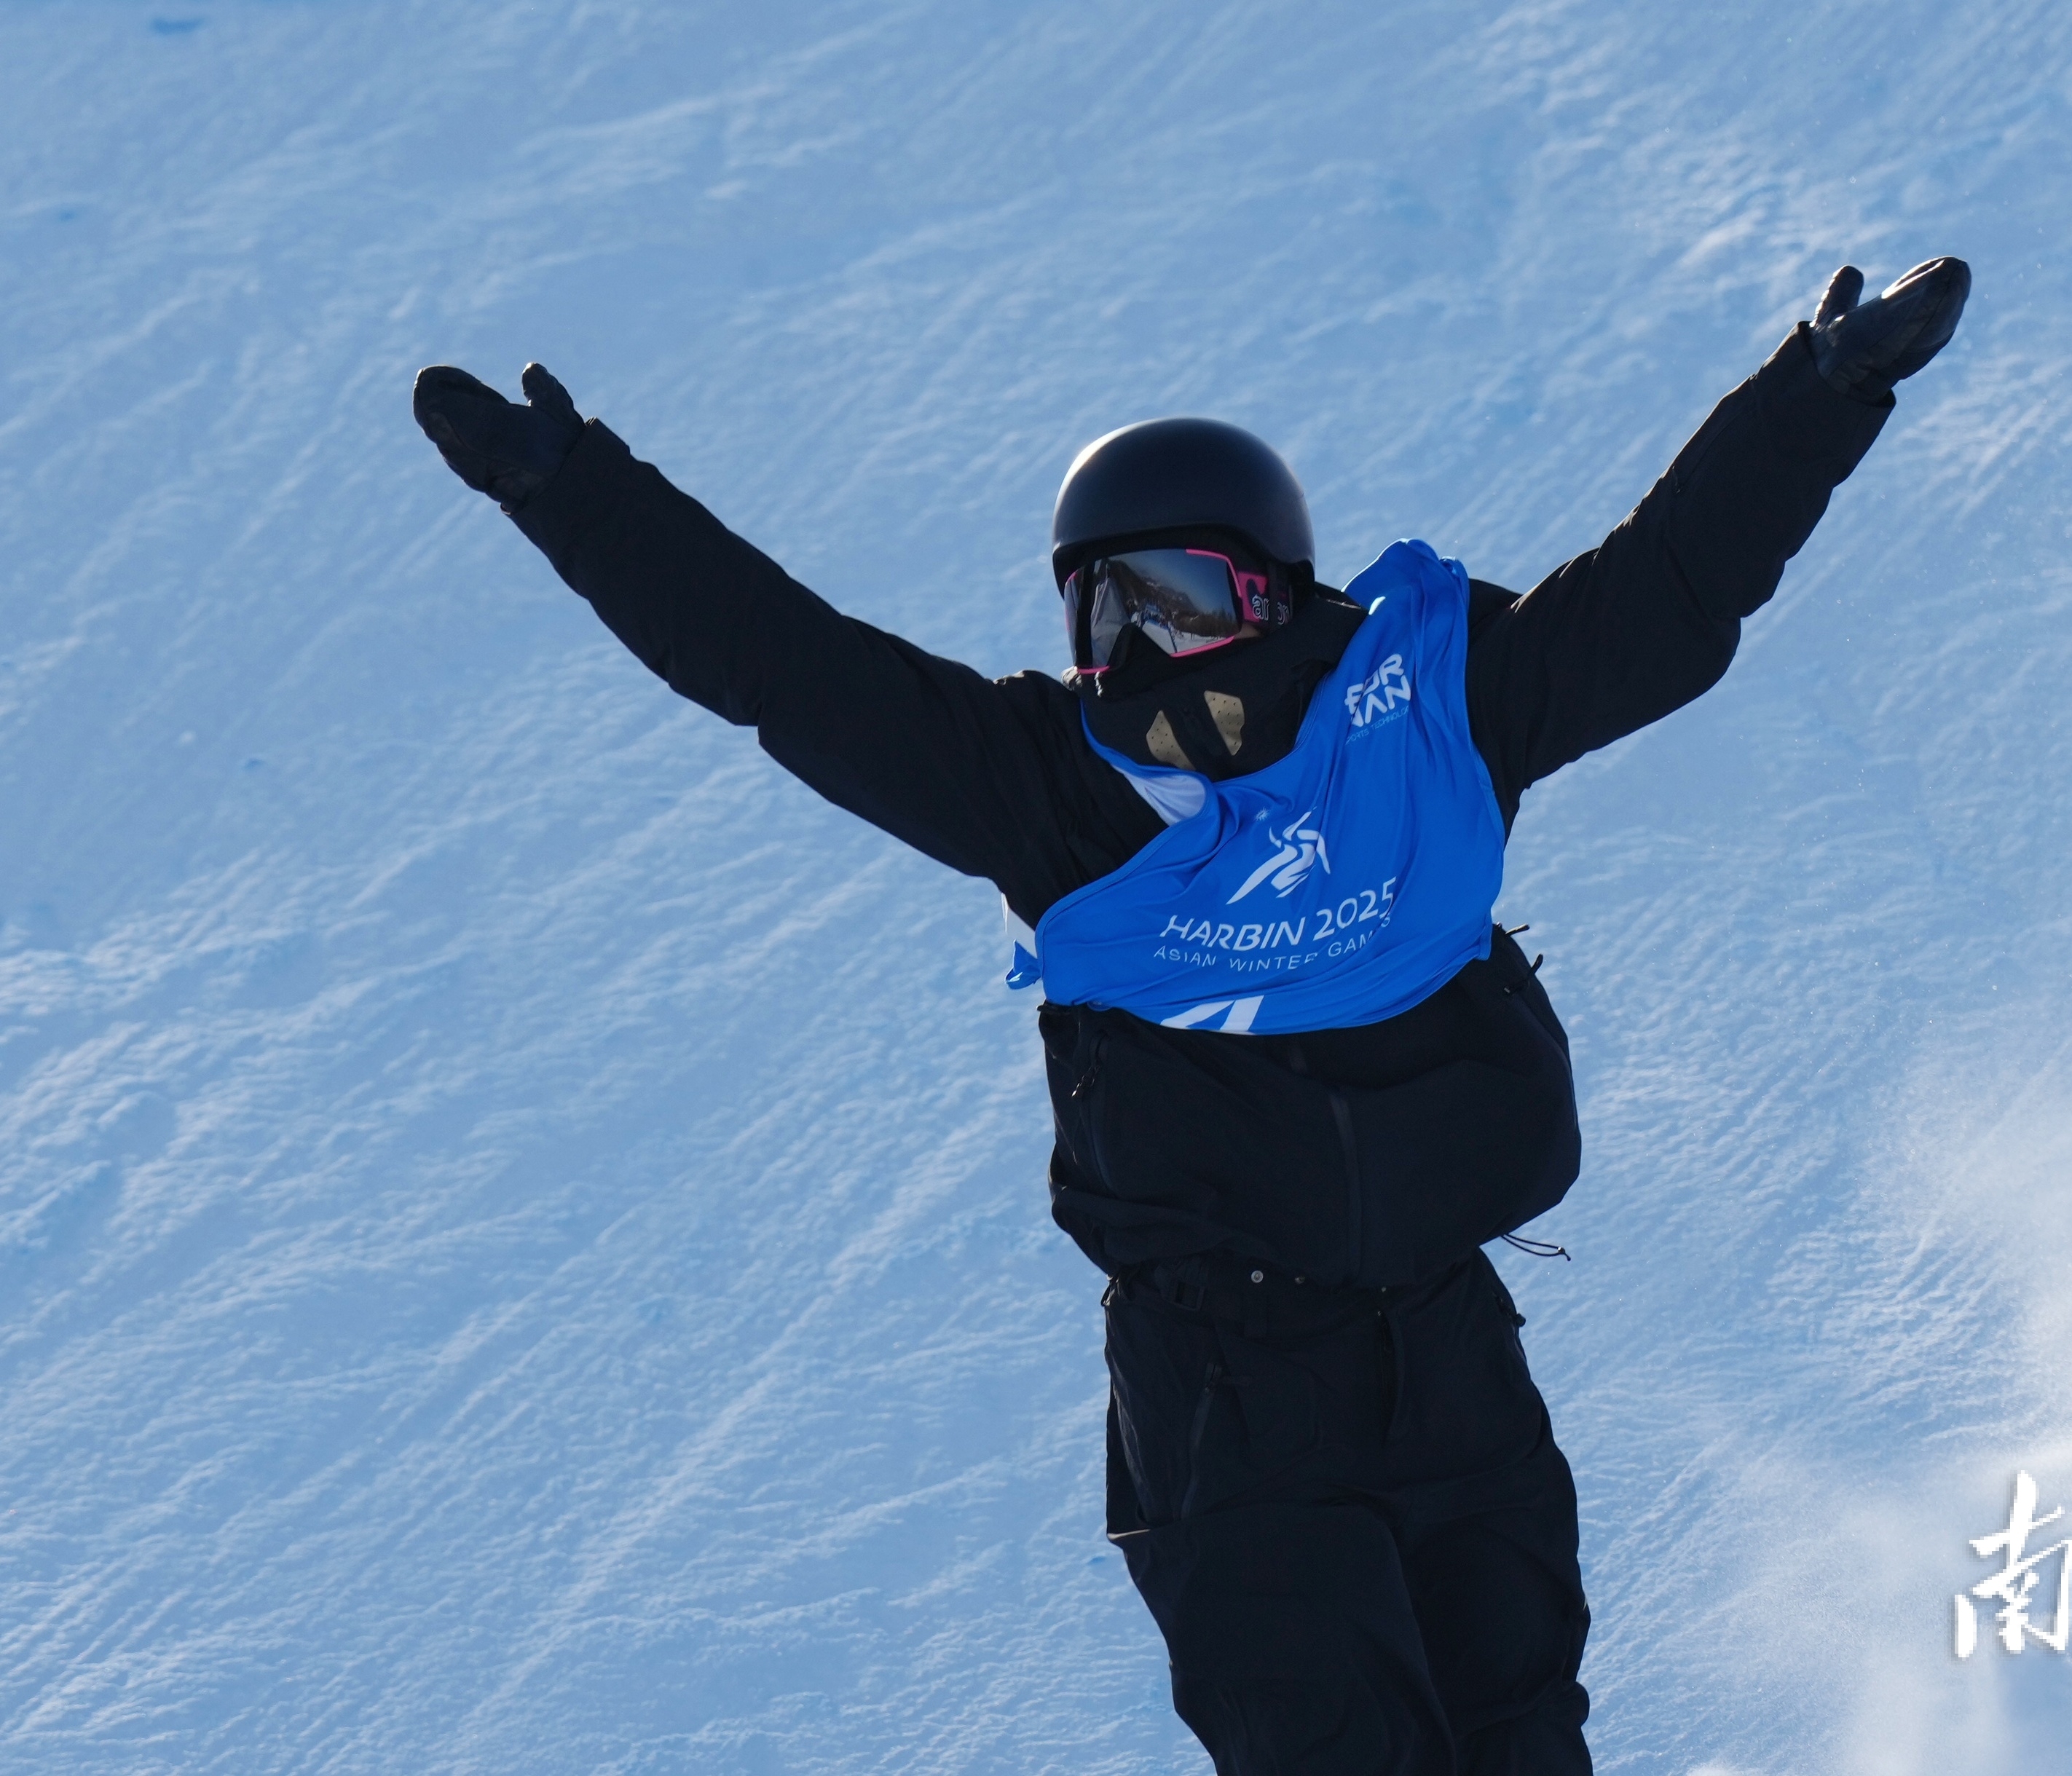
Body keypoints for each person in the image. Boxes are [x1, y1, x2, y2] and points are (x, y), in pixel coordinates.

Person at [413, 256, 1969, 1775]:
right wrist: (575, 496)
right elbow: (786, 668)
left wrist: (1815, 396)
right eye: (1105, 617)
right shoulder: (1047, 791)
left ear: (1273, 589)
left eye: (1178, 601)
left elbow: (1663, 594)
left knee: (1519, 1731)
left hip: (1446, 1347)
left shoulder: (1424, 719)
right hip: (1227, 1390)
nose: (1142, 653)